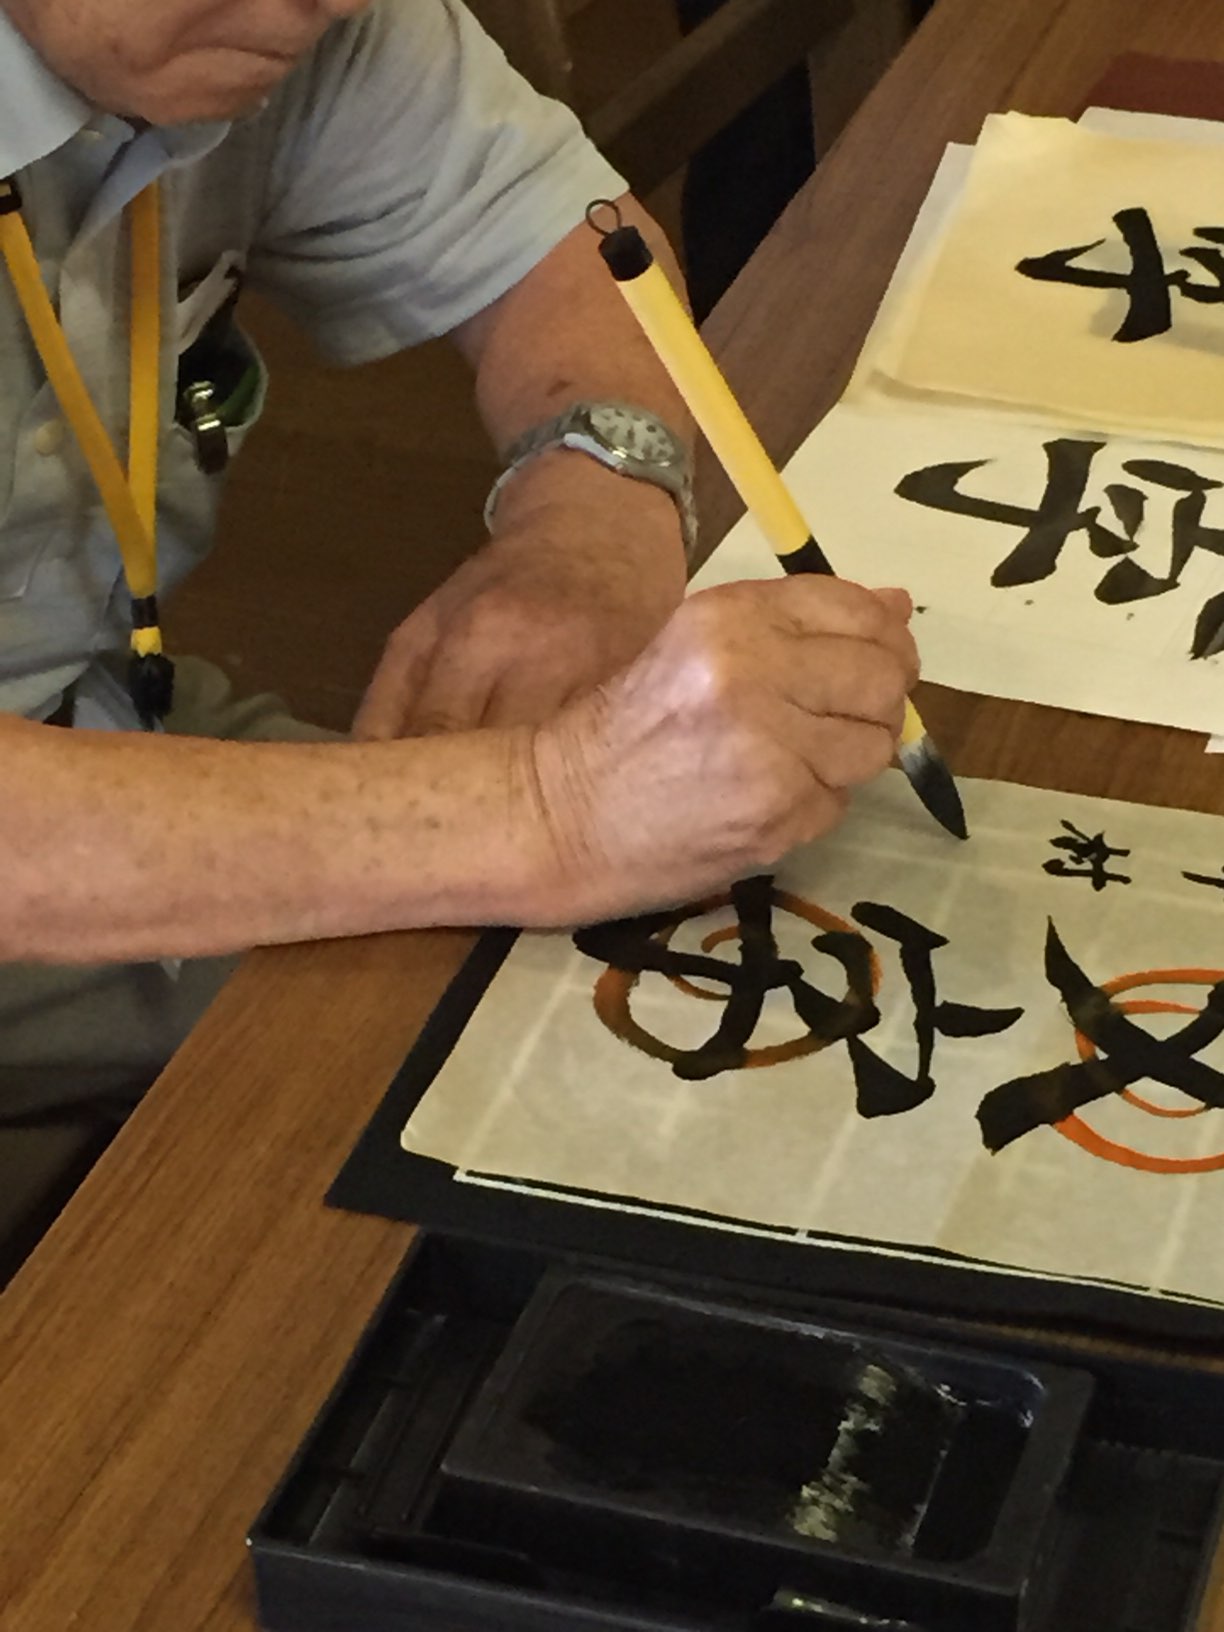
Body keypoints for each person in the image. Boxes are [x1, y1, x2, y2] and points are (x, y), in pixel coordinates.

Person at [0, 0, 918, 1116]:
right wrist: (548, 809)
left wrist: (589, 531)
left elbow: (566, 249)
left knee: (672, 1024)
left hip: (105, 720)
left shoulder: (296, 23)